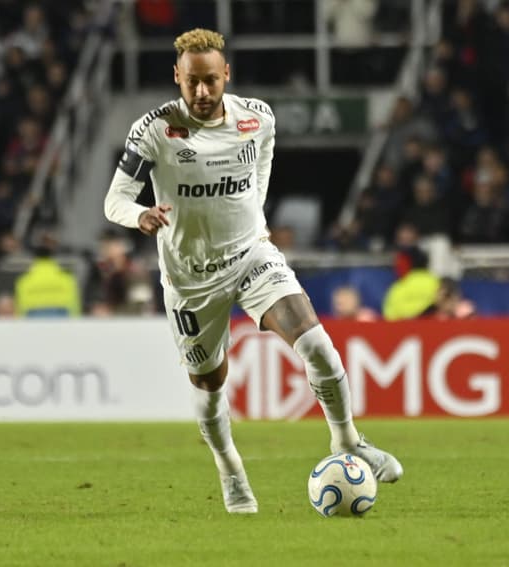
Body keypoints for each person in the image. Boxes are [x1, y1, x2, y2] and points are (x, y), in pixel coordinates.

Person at [104, 29, 402, 514]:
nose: (201, 93)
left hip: (250, 258)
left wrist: (250, 228)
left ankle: (346, 442)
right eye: (191, 83)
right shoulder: (154, 129)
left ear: (226, 76)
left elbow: (257, 180)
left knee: (318, 347)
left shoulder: (258, 119)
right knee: (209, 386)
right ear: (176, 78)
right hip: (192, 280)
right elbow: (114, 197)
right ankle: (231, 470)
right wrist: (137, 215)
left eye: (210, 81)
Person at [14, 245, 81, 317]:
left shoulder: (24, 281)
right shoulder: (67, 279)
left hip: (33, 322)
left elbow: (19, 310)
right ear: (52, 258)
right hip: (62, 321)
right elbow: (75, 308)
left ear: (34, 259)